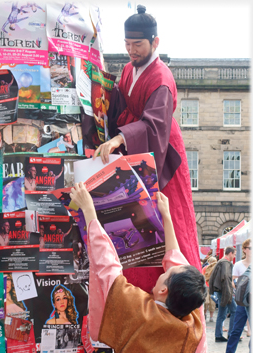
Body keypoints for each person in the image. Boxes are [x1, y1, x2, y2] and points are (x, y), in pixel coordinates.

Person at [92, 5, 201, 296]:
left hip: (160, 147)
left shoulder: (161, 79)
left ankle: (167, 288)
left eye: (137, 45)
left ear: (155, 42)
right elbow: (122, 103)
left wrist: (119, 139)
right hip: (133, 143)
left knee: (163, 215)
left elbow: (154, 126)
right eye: (127, 45)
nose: (131, 51)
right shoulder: (129, 69)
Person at [70, 182, 217, 353]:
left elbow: (107, 268)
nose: (165, 268)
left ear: (163, 290)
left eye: (166, 273)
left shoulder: (139, 311)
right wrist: (166, 217)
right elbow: (178, 263)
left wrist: (89, 211)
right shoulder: (194, 323)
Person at [214, 239, 251, 353]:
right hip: (241, 300)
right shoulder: (238, 264)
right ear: (245, 249)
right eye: (250, 248)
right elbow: (232, 281)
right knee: (236, 327)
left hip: (246, 299)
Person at [209, 246, 237, 342]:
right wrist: (228, 293)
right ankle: (231, 334)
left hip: (222, 292)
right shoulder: (225, 263)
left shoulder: (221, 262)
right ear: (230, 253)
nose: (234, 256)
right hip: (225, 292)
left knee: (222, 314)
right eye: (234, 254)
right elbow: (225, 278)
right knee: (234, 311)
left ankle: (219, 335)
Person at [202, 256, 217, 322]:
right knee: (206, 301)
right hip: (206, 286)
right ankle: (204, 314)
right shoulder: (205, 268)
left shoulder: (216, 269)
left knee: (212, 302)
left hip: (212, 287)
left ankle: (211, 316)